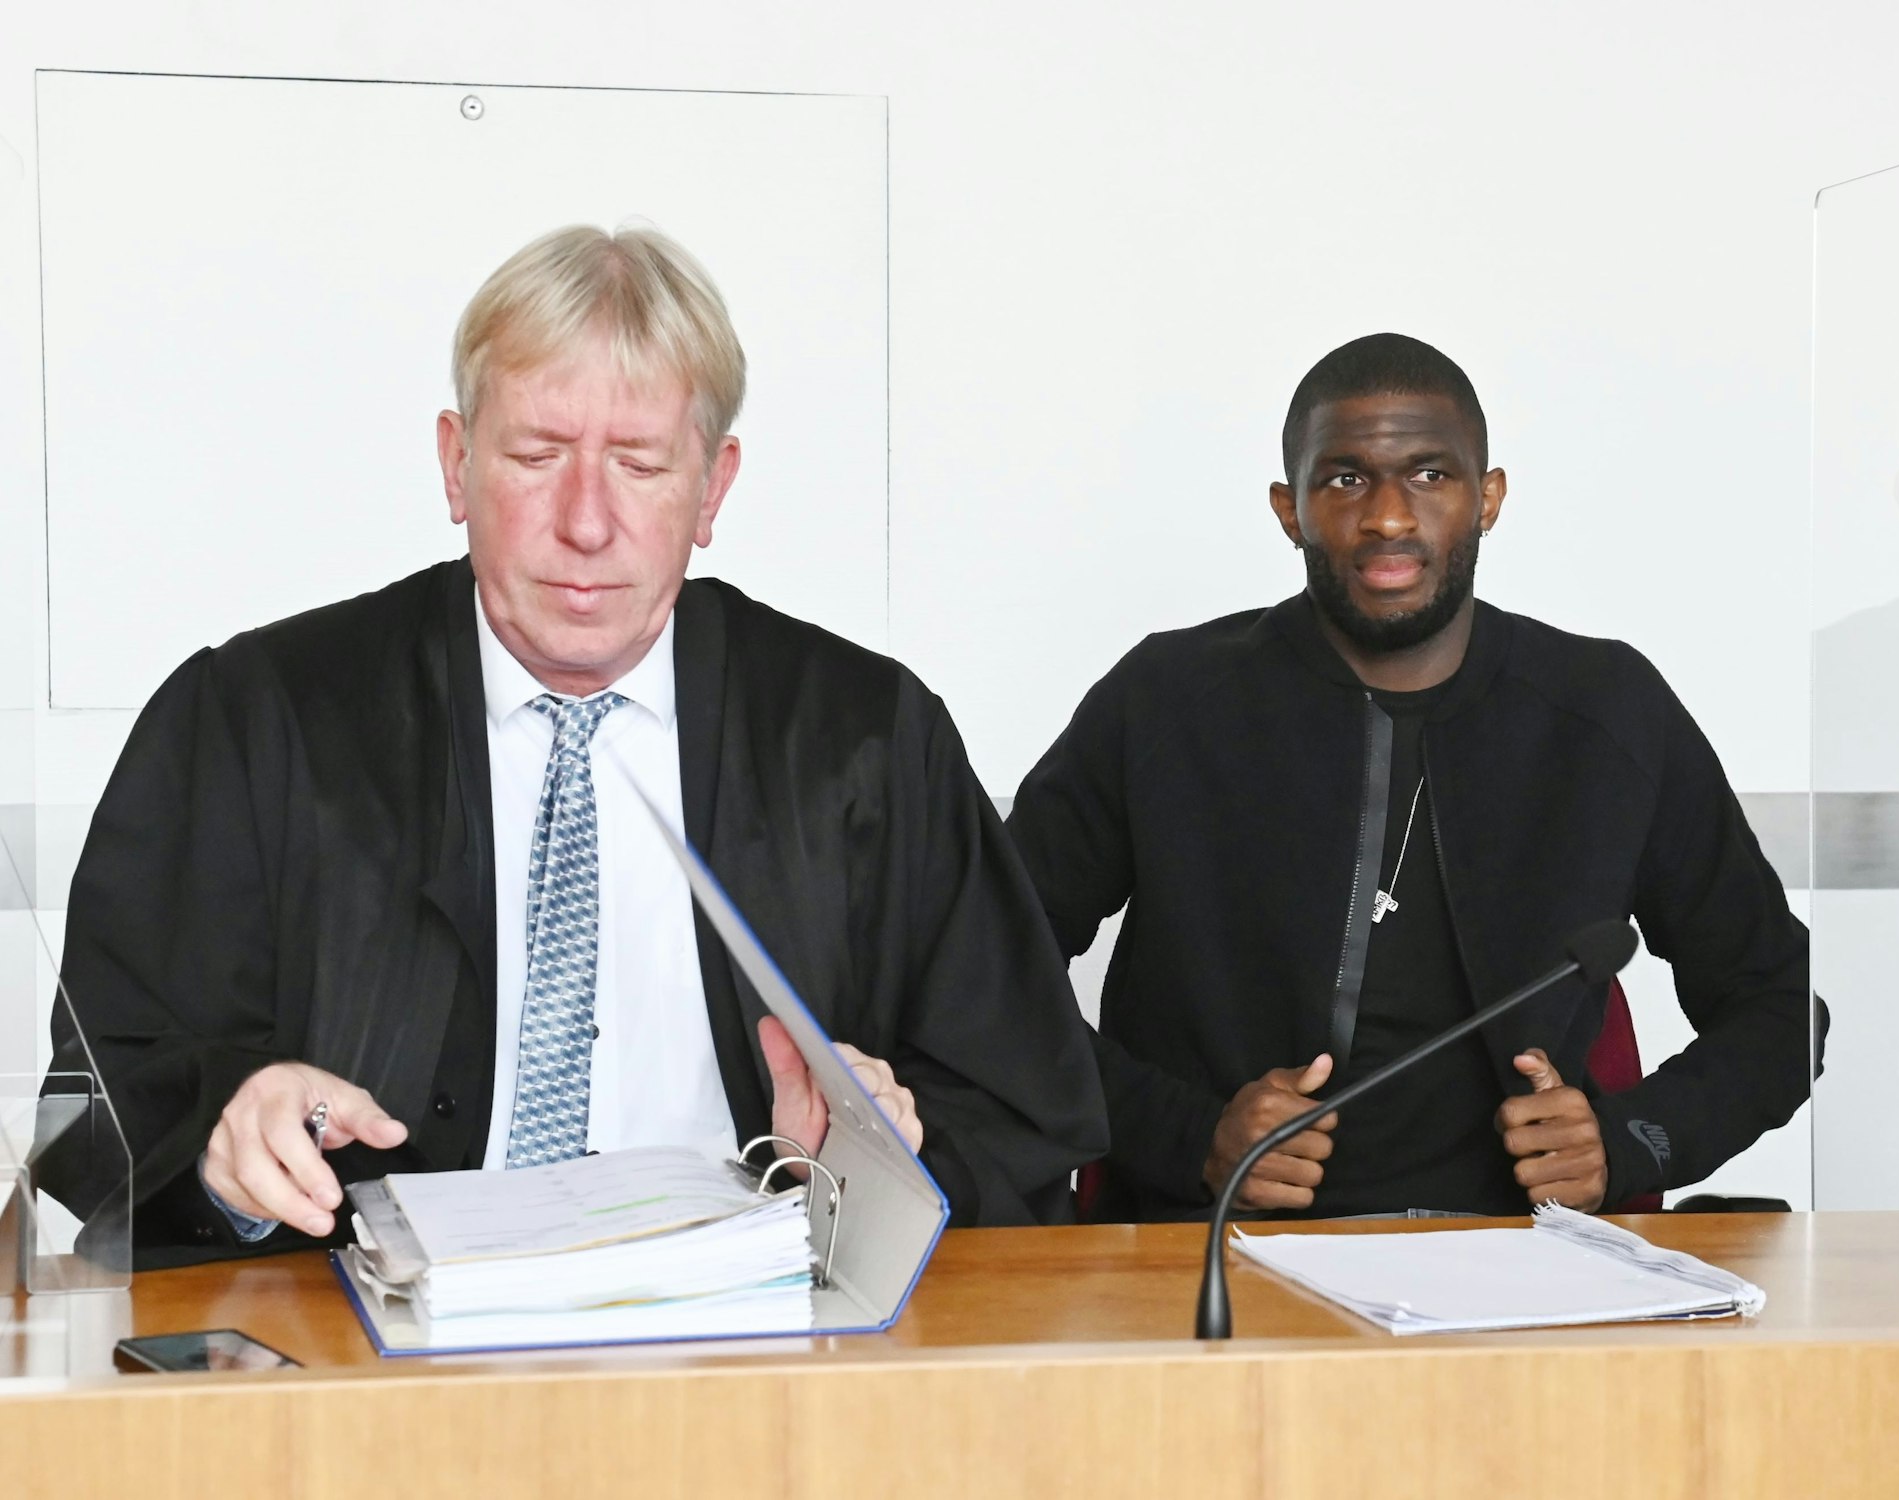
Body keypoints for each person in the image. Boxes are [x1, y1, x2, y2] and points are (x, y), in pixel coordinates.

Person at [47, 225, 1106, 1267]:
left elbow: (1021, 1115)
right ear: (456, 466)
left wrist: (873, 1159)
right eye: (535, 456)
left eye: (641, 466)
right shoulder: (257, 718)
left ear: (713, 489)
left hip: (756, 1354)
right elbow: (98, 1095)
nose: (586, 523)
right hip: (360, 1374)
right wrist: (233, 1134)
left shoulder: (865, 739)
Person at [1006, 333, 1821, 1223]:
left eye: (1431, 475)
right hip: (1208, 1258)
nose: (1390, 516)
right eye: (1346, 479)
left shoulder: (1605, 711)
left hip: (1524, 1267)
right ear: (1290, 509)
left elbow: (1777, 1007)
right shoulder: (1165, 702)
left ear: (1490, 498)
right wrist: (1188, 1134)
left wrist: (1633, 1140)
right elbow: (986, 981)